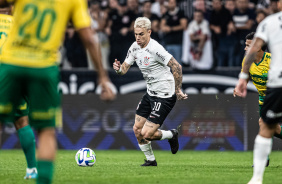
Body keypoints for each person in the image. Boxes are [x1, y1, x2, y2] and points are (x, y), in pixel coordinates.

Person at [0, 1, 115, 184]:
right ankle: (38, 176)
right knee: (45, 131)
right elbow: (89, 37)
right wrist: (102, 76)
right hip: (43, 66)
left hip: (11, 62)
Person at [113, 17, 187, 166]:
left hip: (164, 95)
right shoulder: (134, 47)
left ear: (149, 32)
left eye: (141, 34)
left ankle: (172, 134)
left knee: (147, 133)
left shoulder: (155, 49)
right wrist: (119, 70)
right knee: (137, 129)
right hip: (150, 94)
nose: (138, 38)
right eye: (135, 34)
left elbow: (176, 66)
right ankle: (151, 160)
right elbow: (125, 67)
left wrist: (177, 89)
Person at [235, 1, 282, 183]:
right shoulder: (247, 61)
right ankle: (262, 166)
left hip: (277, 87)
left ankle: (257, 177)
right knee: (267, 125)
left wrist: (241, 80)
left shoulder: (268, 23)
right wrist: (241, 82)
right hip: (267, 95)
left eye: (249, 45)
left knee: (266, 126)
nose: (246, 48)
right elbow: (246, 71)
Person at [0, 4, 37, 179]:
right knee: (22, 121)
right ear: (13, 6)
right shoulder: (21, 25)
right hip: (17, 74)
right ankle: (32, 169)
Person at [160, 0, 187, 64]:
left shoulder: (180, 12)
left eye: (173, 2)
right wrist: (165, 28)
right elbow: (162, 26)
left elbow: (184, 26)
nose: (171, 4)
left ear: (176, 4)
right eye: (170, 2)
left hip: (177, 42)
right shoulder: (166, 13)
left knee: (177, 63)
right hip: (167, 42)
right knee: (168, 64)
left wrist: (171, 29)